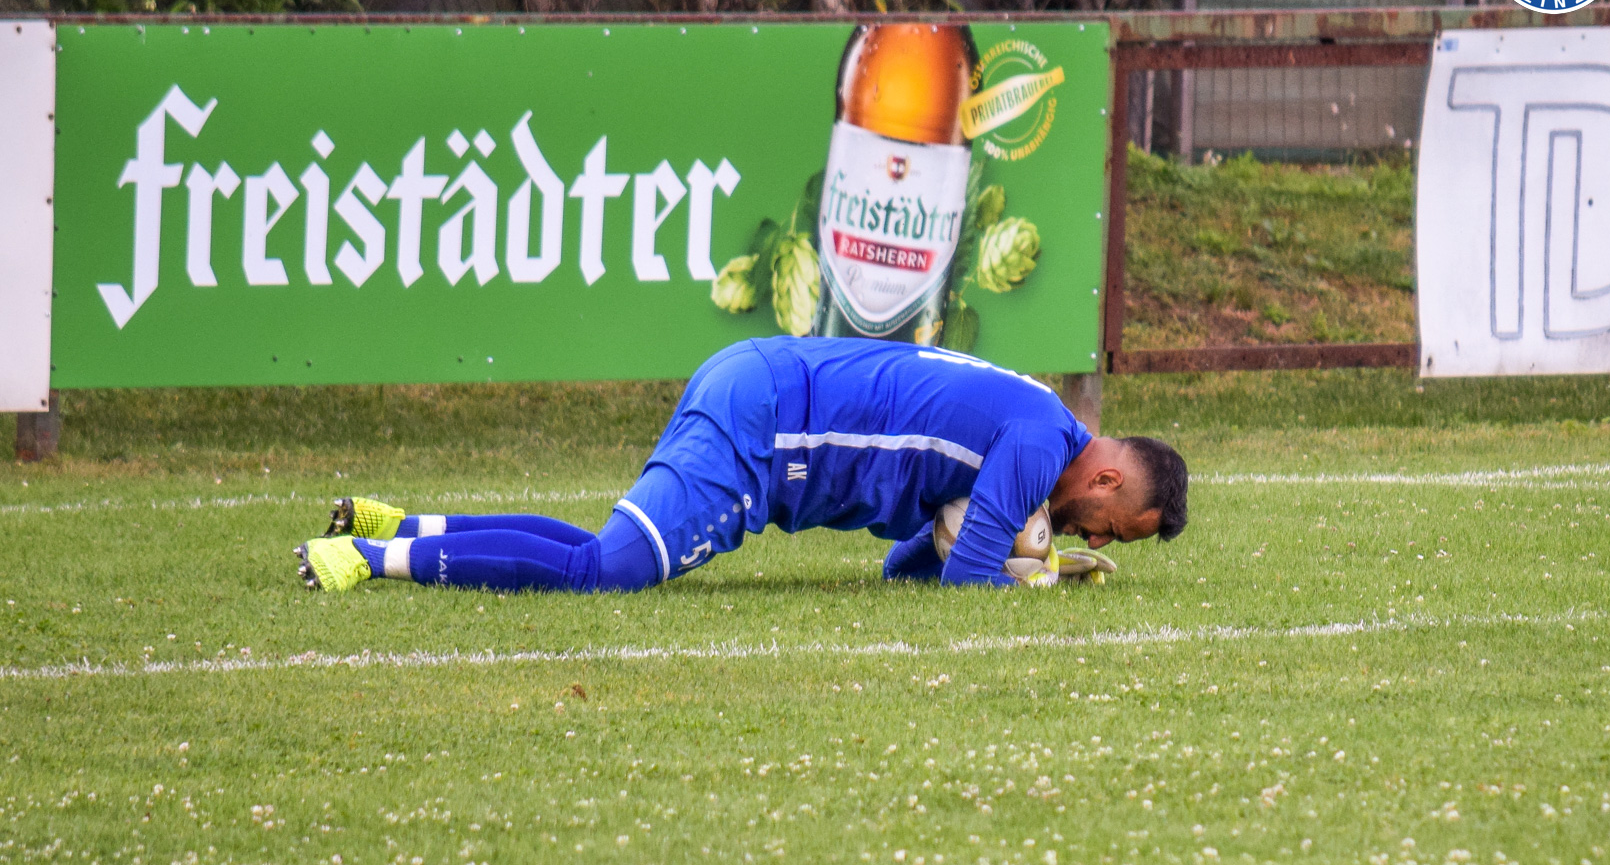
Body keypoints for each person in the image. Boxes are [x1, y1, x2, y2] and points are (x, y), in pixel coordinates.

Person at [294, 336, 1188, 594]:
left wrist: (991, 551)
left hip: (760, 389)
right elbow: (968, 583)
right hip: (764, 425)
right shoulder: (1037, 445)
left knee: (606, 548)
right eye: (1110, 529)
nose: (1094, 538)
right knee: (608, 572)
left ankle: (403, 526)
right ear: (1106, 480)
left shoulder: (1036, 429)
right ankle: (370, 560)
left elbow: (909, 567)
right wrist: (1031, 579)